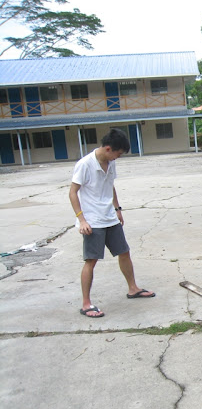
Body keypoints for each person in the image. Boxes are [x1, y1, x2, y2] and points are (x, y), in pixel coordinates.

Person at [69, 128, 155, 318]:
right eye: (118, 153)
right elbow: (72, 192)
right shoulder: (85, 164)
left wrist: (117, 209)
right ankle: (86, 304)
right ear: (108, 149)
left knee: (124, 252)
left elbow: (110, 186)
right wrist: (82, 220)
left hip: (109, 217)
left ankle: (133, 288)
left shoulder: (110, 162)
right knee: (91, 261)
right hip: (93, 221)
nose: (118, 157)